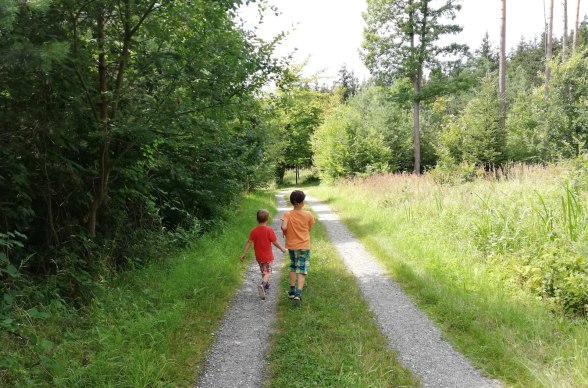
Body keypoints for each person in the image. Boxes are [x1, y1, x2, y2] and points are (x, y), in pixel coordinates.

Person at [240, 209, 286, 300]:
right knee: (268, 272)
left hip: (258, 256)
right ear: (268, 219)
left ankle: (266, 285)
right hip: (268, 256)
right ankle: (262, 284)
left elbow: (249, 242)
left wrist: (244, 254)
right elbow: (275, 242)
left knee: (263, 271)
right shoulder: (269, 230)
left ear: (257, 219)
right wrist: (282, 248)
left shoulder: (254, 231)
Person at [281, 190, 314, 302]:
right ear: (302, 202)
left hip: (292, 245)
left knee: (293, 266)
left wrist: (284, 231)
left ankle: (291, 290)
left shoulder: (287, 214)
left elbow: (284, 227)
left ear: (292, 202)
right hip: (304, 245)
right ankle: (298, 294)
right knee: (302, 268)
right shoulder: (308, 214)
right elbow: (309, 229)